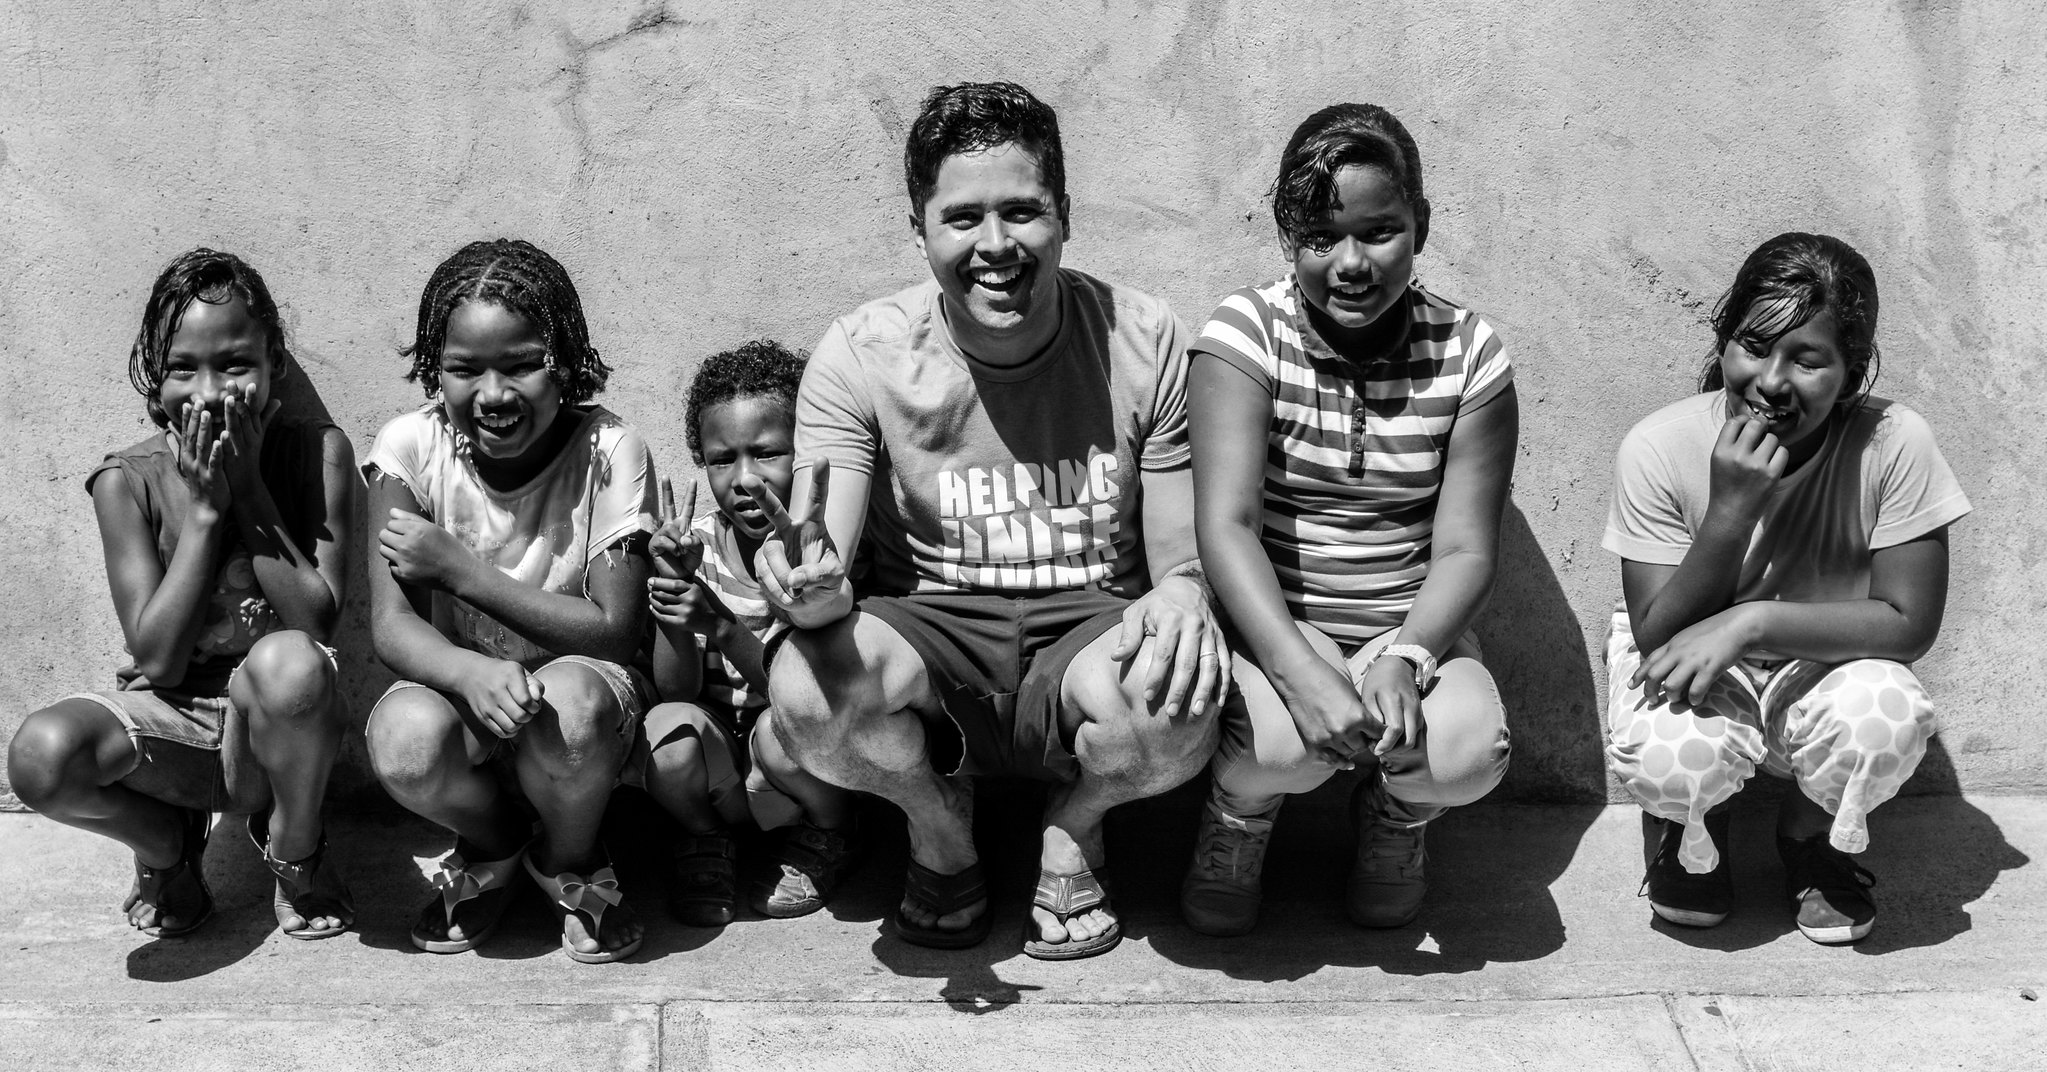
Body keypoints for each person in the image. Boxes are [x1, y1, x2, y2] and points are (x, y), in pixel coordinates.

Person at [756, 81, 1226, 960]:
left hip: (1091, 628)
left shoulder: (1143, 337)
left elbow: (1176, 560)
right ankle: (937, 823)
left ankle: (1075, 822)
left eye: (1021, 211)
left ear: (1064, 215)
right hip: (929, 628)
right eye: (963, 218)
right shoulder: (861, 354)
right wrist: (807, 590)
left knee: (1178, 702)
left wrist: (1183, 594)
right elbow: (826, 558)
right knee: (805, 695)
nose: (996, 245)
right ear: (920, 228)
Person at [1179, 103, 1517, 936]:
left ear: (1420, 225)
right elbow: (1225, 525)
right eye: (1320, 238)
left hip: (1406, 628)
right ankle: (1237, 817)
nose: (1350, 263)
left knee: (1466, 751)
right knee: (1280, 747)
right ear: (1287, 238)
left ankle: (1396, 816)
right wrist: (1298, 670)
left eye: (1378, 232)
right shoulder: (1246, 334)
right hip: (1278, 626)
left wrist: (1408, 655)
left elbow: (1467, 547)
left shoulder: (1468, 352)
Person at [1604, 232, 1968, 944]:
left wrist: (1752, 622)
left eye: (1806, 359)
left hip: (1822, 657)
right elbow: (1656, 634)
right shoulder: (1658, 446)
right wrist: (1730, 512)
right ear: (1723, 340)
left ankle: (1809, 834)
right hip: (1693, 652)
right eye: (1753, 345)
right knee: (1670, 752)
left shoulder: (1894, 443)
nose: (1770, 381)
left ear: (1850, 375)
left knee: (1886, 718)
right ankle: (1694, 829)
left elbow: (1908, 622)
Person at [7, 248, 357, 940]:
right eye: (181, 369)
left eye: (234, 364)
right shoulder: (126, 481)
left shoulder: (317, 454)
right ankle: (167, 846)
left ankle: (295, 847)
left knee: (291, 663)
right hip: (174, 726)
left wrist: (248, 489)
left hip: (276, 731)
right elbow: (159, 661)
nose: (209, 392)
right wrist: (203, 510)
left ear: (274, 365)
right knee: (40, 756)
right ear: (155, 379)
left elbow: (316, 623)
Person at [363, 238, 657, 963]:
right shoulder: (410, 448)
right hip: (470, 694)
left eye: (521, 364)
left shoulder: (609, 451)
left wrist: (463, 573)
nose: (493, 395)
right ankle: (495, 847)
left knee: (571, 714)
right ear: (435, 371)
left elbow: (615, 631)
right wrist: (467, 672)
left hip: (582, 700)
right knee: (403, 743)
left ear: (566, 363)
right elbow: (392, 625)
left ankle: (570, 858)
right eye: (465, 370)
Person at [641, 340, 857, 926]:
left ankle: (833, 832)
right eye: (721, 460)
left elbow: (810, 694)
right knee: (665, 732)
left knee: (781, 729)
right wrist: (676, 596)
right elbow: (675, 692)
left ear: (804, 451)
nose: (744, 479)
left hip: (799, 760)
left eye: (766, 454)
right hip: (726, 766)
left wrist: (720, 624)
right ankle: (708, 839)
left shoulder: (822, 555)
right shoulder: (699, 549)